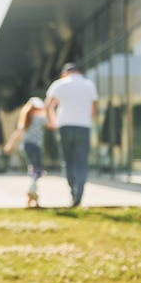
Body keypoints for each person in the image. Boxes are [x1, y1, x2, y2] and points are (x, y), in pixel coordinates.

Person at [45, 62, 98, 207]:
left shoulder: (60, 84)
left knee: (68, 162)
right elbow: (93, 111)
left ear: (64, 73)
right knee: (81, 162)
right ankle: (79, 195)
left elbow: (48, 106)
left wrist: (53, 121)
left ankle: (73, 193)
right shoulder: (89, 85)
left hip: (65, 127)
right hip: (83, 127)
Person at [2, 97, 48, 207]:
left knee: (33, 169)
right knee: (38, 171)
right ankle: (32, 190)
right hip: (35, 147)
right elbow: (51, 123)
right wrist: (47, 110)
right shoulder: (39, 119)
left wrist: (9, 145)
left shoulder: (26, 119)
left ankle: (32, 197)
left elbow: (18, 133)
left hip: (26, 146)